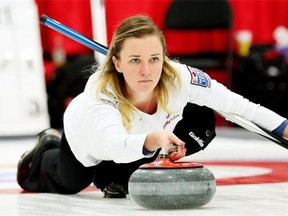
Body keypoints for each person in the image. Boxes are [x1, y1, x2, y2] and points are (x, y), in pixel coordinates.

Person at [17, 15, 288, 198]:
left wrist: (285, 128)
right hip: (87, 139)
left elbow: (238, 106)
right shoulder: (100, 93)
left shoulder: (180, 76)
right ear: (118, 63)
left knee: (202, 121)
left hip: (140, 139)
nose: (147, 71)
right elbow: (113, 144)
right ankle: (46, 148)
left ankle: (116, 177)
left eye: (154, 59)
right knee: (71, 182)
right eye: (135, 60)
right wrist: (153, 139)